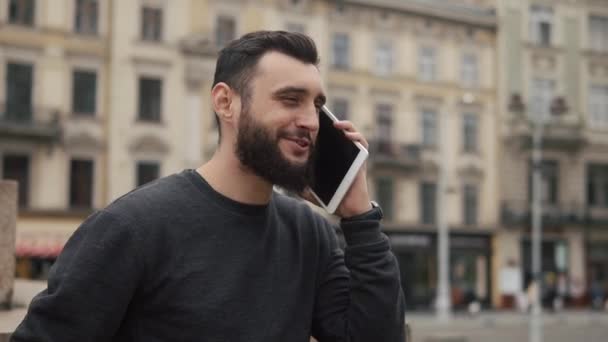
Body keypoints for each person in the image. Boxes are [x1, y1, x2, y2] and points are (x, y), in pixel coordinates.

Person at [11, 31, 406, 341]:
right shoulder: (132, 227)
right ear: (226, 103)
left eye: (317, 105)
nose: (310, 120)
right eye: (290, 99)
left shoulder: (310, 234)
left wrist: (360, 217)